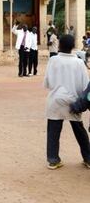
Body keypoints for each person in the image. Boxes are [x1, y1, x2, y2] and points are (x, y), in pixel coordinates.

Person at [44, 34, 90, 170]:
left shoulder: (53, 60)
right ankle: (88, 158)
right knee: (79, 130)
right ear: (72, 47)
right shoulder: (79, 62)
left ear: (59, 45)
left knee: (53, 130)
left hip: (55, 100)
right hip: (73, 102)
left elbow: (47, 83)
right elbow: (85, 86)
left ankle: (53, 160)